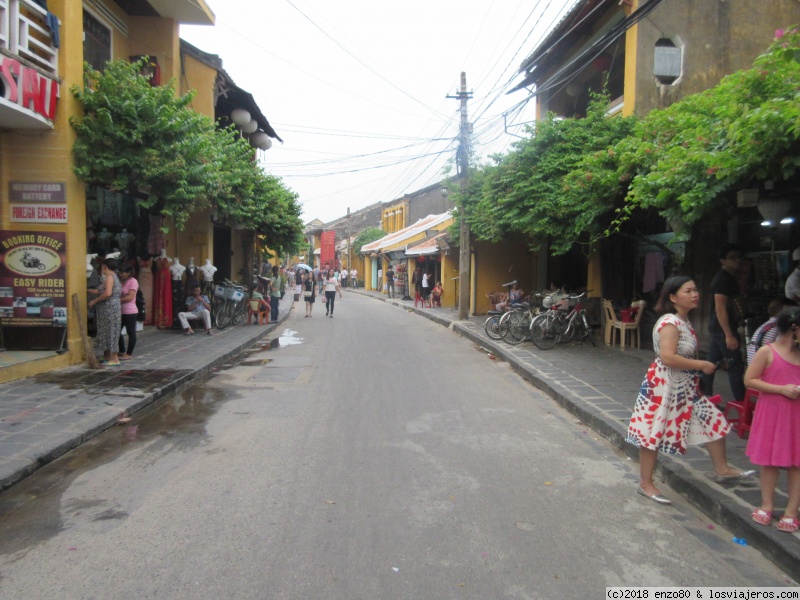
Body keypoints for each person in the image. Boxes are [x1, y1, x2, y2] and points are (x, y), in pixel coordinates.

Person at [626, 275, 753, 505]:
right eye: (688, 291)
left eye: (695, 290)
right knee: (653, 433)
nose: (695, 294)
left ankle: (721, 469)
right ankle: (645, 483)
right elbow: (667, 357)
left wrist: (697, 377)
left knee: (713, 419)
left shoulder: (683, 321)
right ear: (673, 297)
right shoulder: (670, 323)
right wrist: (701, 365)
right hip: (664, 387)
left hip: (686, 387)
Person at [745, 307, 800, 533]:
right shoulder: (768, 352)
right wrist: (780, 389)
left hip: (796, 416)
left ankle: (791, 510)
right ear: (794, 328)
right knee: (769, 461)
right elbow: (749, 379)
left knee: (797, 464)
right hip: (772, 413)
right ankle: (767, 504)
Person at [700, 244, 746, 404]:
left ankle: (705, 399)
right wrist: (728, 334)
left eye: (738, 257)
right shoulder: (723, 279)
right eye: (732, 257)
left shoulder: (729, 278)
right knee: (735, 365)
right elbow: (720, 308)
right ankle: (742, 404)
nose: (737, 260)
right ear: (722, 260)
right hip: (722, 328)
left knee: (710, 364)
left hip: (718, 327)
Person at [88, 258, 122, 366]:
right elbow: (101, 290)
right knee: (107, 331)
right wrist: (87, 290)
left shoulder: (109, 278)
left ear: (105, 267)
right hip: (109, 308)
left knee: (111, 331)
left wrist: (94, 301)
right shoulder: (112, 277)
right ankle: (108, 356)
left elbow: (107, 293)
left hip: (109, 308)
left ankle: (114, 358)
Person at [747, 297, 798, 363]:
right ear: (785, 309)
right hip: (764, 366)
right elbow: (784, 350)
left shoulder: (768, 325)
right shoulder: (779, 327)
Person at [118, 264, 139, 361]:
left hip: (130, 311)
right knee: (117, 331)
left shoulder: (133, 281)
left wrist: (117, 300)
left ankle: (129, 353)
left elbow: (130, 297)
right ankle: (121, 350)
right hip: (120, 310)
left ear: (128, 273)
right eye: (120, 272)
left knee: (131, 332)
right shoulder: (121, 281)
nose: (121, 274)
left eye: (123, 273)